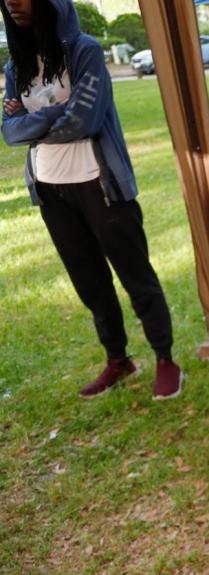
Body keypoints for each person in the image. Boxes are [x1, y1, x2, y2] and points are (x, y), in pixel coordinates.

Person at [2, 0, 183, 400]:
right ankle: (119, 360)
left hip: (99, 184)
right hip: (50, 189)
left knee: (135, 274)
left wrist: (33, 121)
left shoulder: (84, 50)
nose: (13, 3)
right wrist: (56, 113)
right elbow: (9, 133)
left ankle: (166, 359)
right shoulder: (16, 68)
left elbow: (86, 119)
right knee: (90, 282)